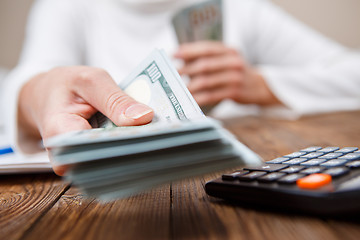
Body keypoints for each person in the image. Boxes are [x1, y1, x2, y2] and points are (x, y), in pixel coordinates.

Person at [2, 0, 360, 175]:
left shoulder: (240, 8)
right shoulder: (68, 7)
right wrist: (37, 93)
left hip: (236, 177)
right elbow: (27, 77)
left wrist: (262, 84)